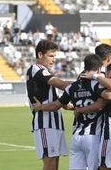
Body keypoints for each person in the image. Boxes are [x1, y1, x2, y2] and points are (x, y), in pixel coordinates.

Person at [33, 54, 111, 170]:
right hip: (94, 136)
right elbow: (104, 100)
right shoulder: (98, 85)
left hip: (77, 136)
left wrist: (41, 107)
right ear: (99, 69)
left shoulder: (72, 86)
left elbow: (56, 105)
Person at [26, 39, 72, 170]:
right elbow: (62, 84)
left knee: (55, 164)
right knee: (50, 163)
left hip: (55, 123)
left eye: (54, 56)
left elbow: (60, 100)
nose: (53, 60)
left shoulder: (44, 73)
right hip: (45, 123)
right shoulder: (37, 69)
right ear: (40, 55)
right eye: (51, 56)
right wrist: (83, 83)